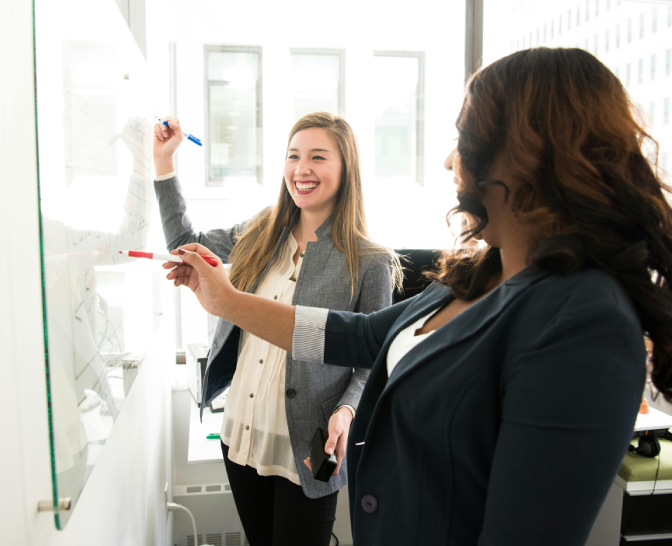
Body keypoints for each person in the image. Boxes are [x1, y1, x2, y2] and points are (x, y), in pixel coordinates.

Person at [163, 48, 672, 545]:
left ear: (531, 155)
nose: (452, 160)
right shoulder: (474, 277)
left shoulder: (584, 320)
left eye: (466, 139)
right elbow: (359, 335)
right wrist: (226, 302)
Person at [153, 112, 400, 545]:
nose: (301, 169)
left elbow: (372, 361)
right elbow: (184, 245)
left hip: (307, 446)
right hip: (241, 435)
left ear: (346, 169)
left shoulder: (370, 261)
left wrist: (347, 411)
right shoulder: (261, 230)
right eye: (293, 156)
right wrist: (163, 163)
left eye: (318, 157)